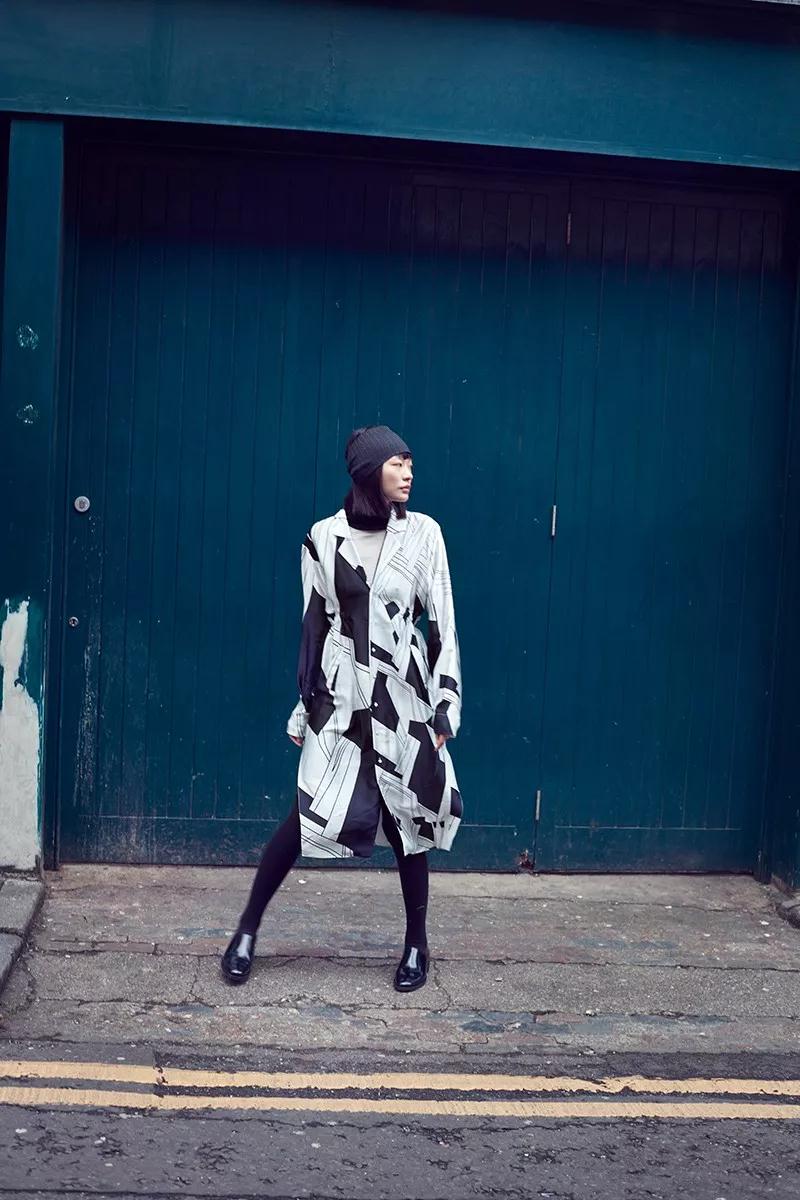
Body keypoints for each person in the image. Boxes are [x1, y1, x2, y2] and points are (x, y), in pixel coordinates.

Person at [221, 424, 463, 992]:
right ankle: (246, 930)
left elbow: (443, 621)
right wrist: (304, 704)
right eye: (397, 463)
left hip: (402, 697)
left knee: (407, 823)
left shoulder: (423, 534)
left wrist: (445, 703)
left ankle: (417, 945)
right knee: (304, 814)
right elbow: (313, 622)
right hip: (342, 697)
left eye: (410, 462)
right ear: (368, 471)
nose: (408, 473)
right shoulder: (323, 538)